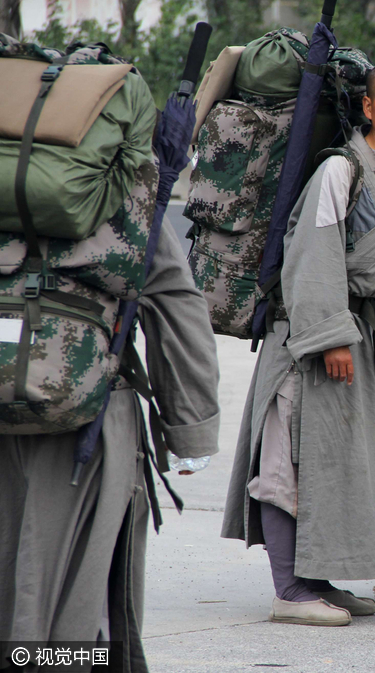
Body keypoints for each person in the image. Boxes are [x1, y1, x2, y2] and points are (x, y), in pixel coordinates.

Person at [221, 61, 375, 625]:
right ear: (368, 108)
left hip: (362, 336)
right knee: (288, 459)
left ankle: (318, 579)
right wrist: (330, 338)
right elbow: (313, 254)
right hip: (311, 339)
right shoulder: (340, 170)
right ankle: (289, 589)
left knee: (338, 462)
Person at [0, 222, 221, 670]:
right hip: (88, 419)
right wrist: (191, 428)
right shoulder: (126, 185)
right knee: (78, 590)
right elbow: (175, 304)